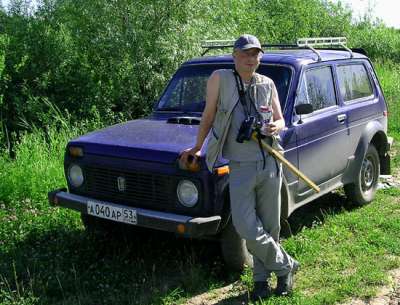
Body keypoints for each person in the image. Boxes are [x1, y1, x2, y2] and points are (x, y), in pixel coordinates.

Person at [180, 34, 299, 300]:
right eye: (245, 54)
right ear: (234, 56)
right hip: (241, 165)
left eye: (255, 54)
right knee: (246, 226)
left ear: (260, 57)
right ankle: (286, 265)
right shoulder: (220, 79)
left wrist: (274, 127)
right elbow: (209, 114)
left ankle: (262, 280)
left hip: (270, 163)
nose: (250, 59)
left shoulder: (267, 84)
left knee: (270, 226)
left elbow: (281, 121)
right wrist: (198, 147)